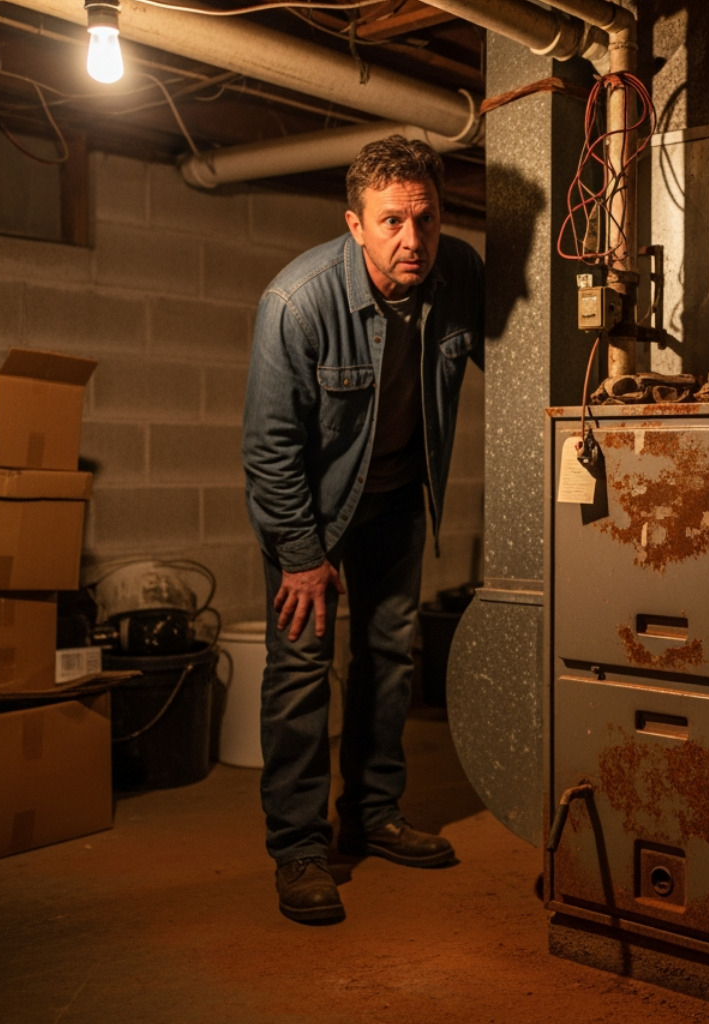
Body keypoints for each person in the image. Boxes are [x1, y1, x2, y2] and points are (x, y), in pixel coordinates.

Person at [241, 135, 483, 925]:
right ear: (355, 223)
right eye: (391, 223)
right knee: (302, 668)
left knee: (387, 660)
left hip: (396, 503)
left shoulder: (456, 275)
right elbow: (269, 447)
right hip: (312, 514)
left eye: (425, 219)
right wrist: (302, 559)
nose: (411, 240)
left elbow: (522, 348)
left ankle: (373, 815)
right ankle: (300, 848)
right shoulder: (297, 302)